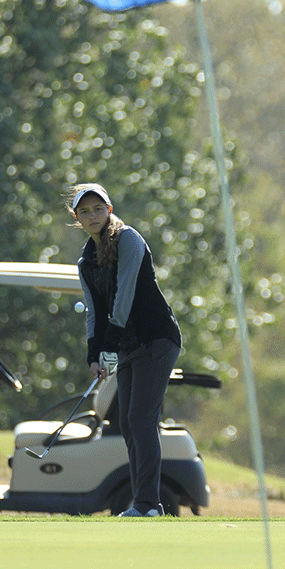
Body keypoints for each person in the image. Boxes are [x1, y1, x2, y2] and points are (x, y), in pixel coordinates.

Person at [66, 182, 182, 516]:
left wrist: (110, 347)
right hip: (131, 344)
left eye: (98, 209)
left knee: (140, 418)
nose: (93, 216)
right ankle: (144, 502)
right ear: (77, 217)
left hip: (157, 338)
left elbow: (125, 295)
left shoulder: (128, 239)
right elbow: (94, 312)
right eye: (85, 211)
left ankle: (148, 504)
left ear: (109, 210)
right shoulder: (85, 263)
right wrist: (94, 355)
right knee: (129, 424)